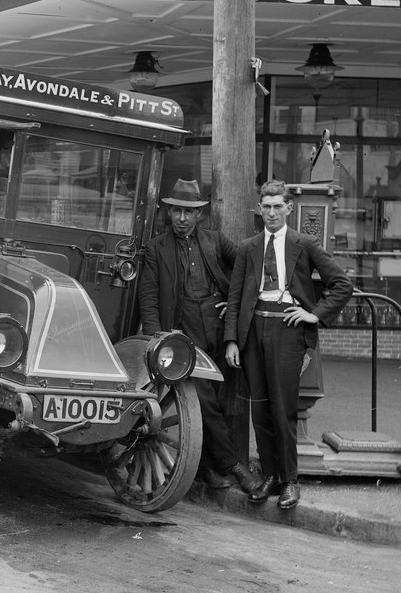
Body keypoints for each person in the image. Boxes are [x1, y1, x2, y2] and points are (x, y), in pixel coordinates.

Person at [223, 180, 352, 510]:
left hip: (287, 330)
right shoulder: (248, 247)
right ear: (259, 209)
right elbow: (235, 298)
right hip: (253, 332)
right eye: (266, 207)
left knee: (283, 408)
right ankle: (270, 476)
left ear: (289, 208)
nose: (271, 213)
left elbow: (341, 284)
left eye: (278, 206)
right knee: (260, 408)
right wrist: (233, 341)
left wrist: (314, 315)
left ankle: (291, 481)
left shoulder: (304, 243)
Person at [137, 179, 259, 494]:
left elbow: (248, 268)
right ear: (168, 212)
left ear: (199, 215)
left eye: (188, 212)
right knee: (203, 397)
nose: (181, 218)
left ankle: (204, 467)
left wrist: (232, 302)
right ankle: (233, 465)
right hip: (182, 331)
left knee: (216, 400)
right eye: (176, 211)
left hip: (218, 326)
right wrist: (159, 341)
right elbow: (149, 298)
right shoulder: (155, 248)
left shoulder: (216, 241)